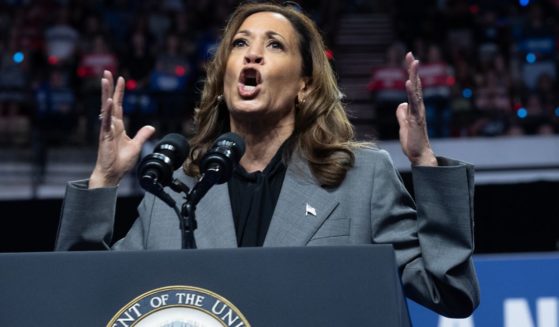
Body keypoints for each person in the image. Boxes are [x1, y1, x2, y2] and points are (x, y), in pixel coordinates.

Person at [55, 2, 479, 318]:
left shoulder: (361, 178)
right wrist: (103, 180)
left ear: (305, 87)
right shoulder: (175, 190)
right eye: (240, 43)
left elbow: (451, 291)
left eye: (274, 45)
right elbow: (83, 300)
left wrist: (424, 162)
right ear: (223, 83)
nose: (252, 54)